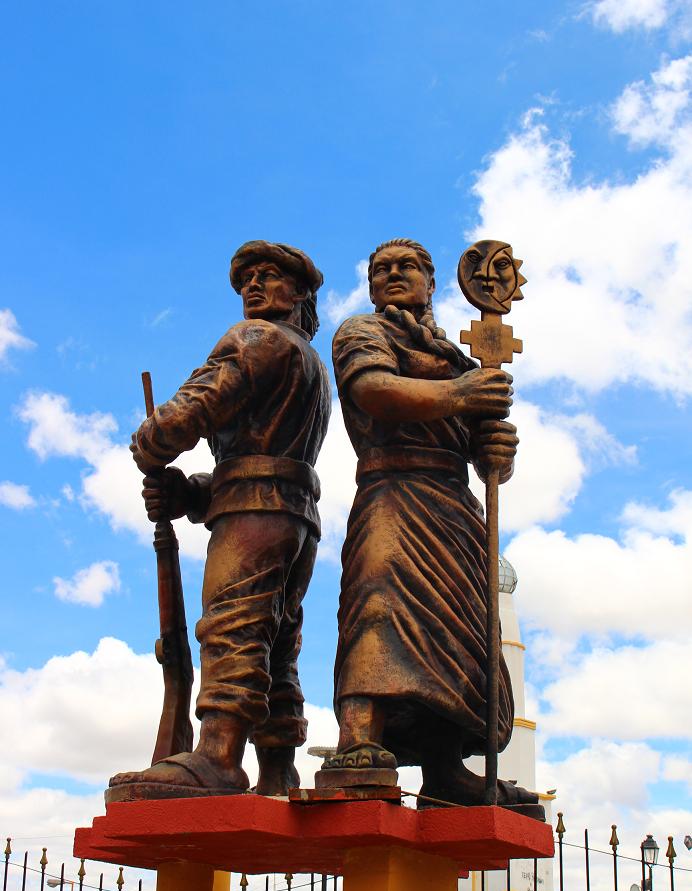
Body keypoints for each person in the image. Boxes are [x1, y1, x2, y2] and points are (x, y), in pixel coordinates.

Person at [318, 237, 539, 811]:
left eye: (407, 267)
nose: (393, 275)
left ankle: (446, 765)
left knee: (461, 632)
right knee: (379, 605)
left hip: (455, 506)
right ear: (370, 286)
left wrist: (498, 448)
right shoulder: (363, 334)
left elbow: (484, 458)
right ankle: (359, 740)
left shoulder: (462, 360)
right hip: (393, 490)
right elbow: (373, 390)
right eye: (381, 270)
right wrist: (460, 394)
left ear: (430, 281)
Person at [110, 241, 331, 798]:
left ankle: (219, 758)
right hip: (295, 516)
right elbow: (257, 460)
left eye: (268, 276)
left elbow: (190, 411)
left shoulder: (257, 339)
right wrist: (187, 493)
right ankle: (278, 768)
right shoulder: (310, 363)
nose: (253, 287)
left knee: (232, 627)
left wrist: (153, 441)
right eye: (246, 280)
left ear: (300, 292)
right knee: (277, 640)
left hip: (255, 516)